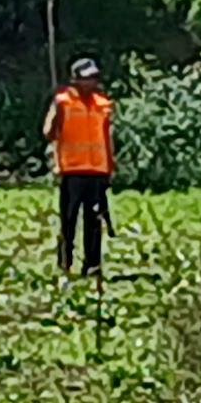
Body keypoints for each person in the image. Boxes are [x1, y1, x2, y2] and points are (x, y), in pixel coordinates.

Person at [47, 57, 115, 278]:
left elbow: (107, 137)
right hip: (72, 171)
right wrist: (55, 114)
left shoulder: (103, 104)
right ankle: (65, 264)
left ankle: (92, 265)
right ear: (75, 80)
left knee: (94, 221)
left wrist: (110, 167)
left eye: (93, 77)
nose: (91, 82)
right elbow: (49, 132)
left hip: (97, 171)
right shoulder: (63, 102)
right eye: (86, 78)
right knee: (69, 221)